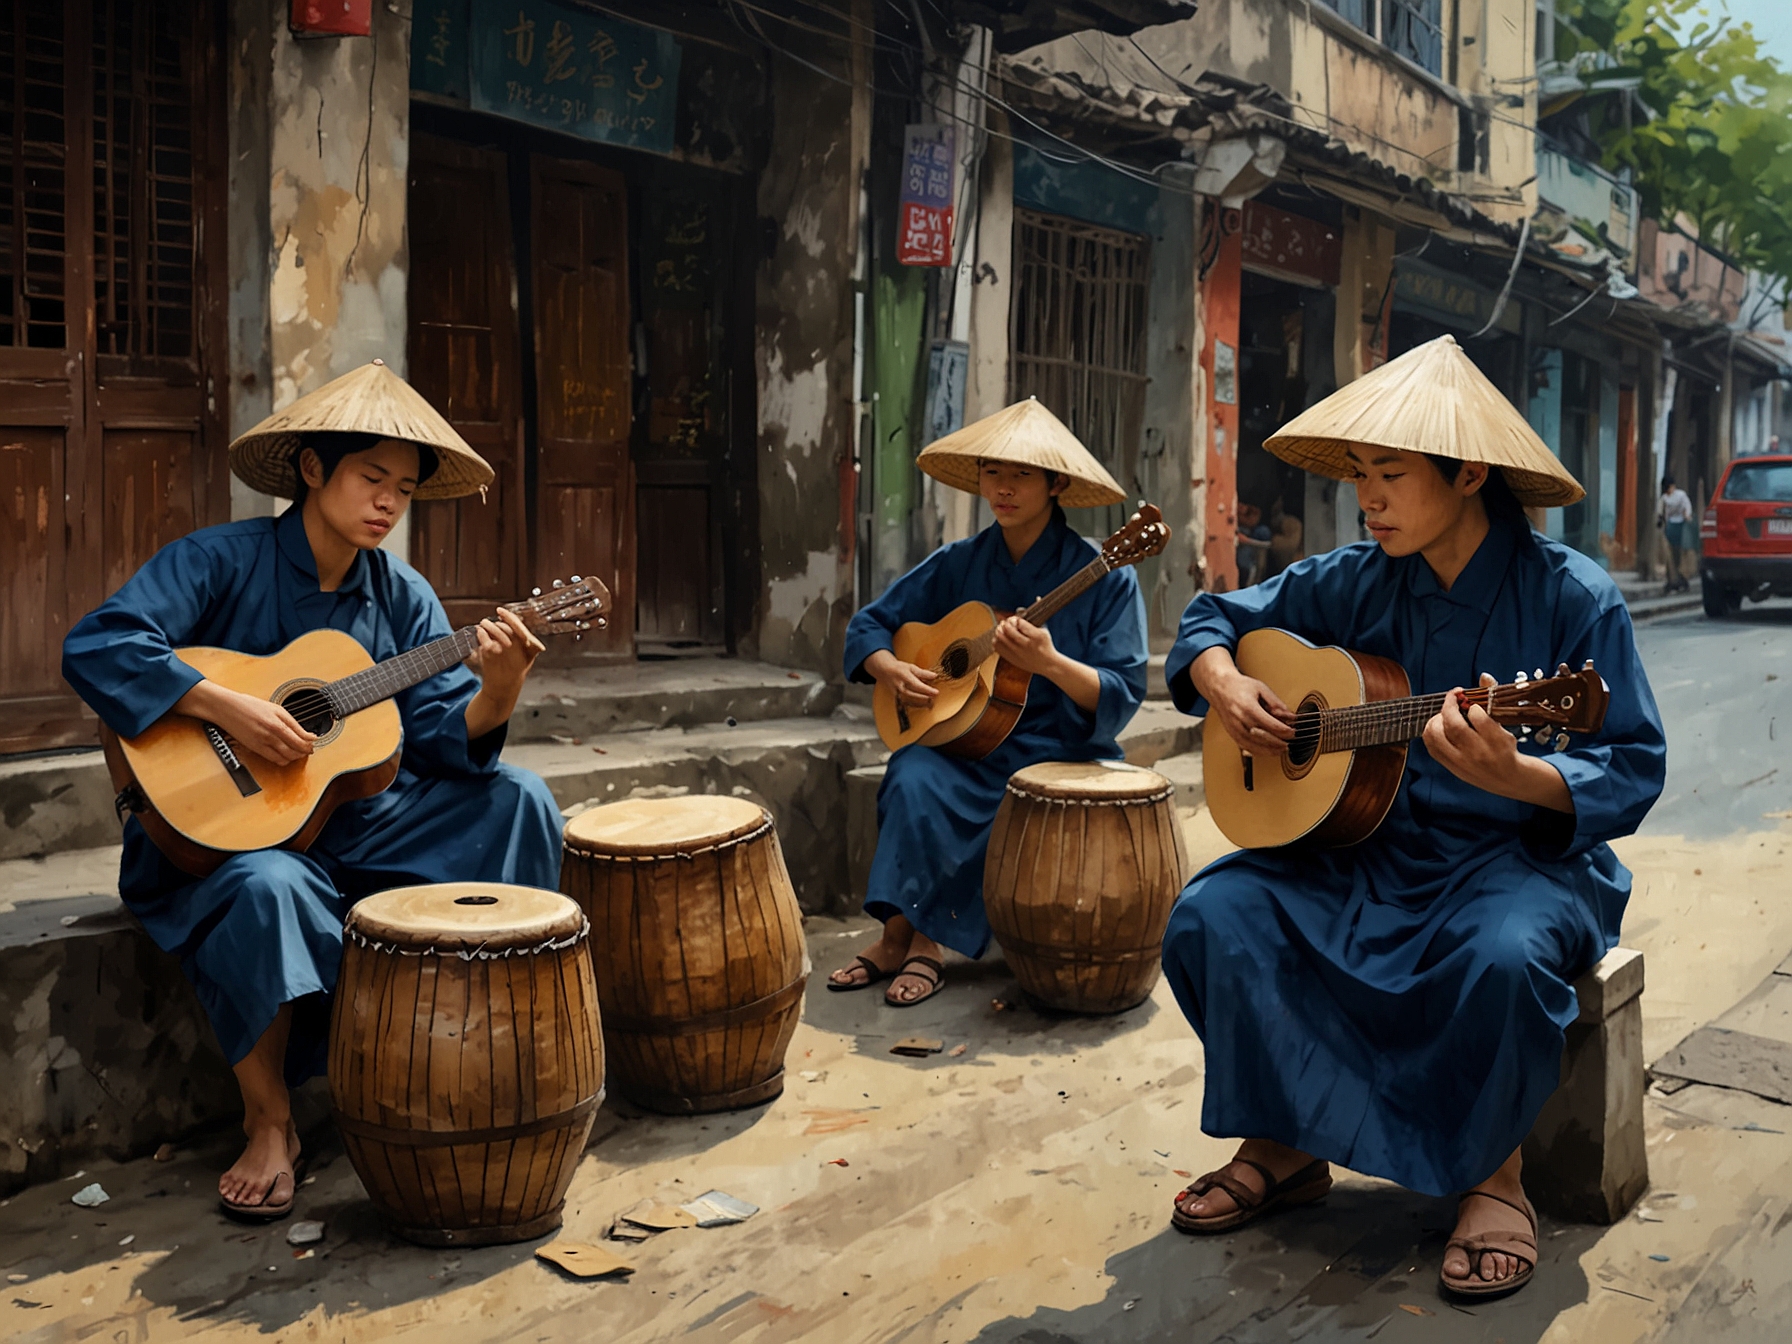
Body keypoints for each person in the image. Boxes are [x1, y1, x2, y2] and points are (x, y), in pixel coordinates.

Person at [1160, 335, 1665, 1301]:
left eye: (1390, 475)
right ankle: (1286, 1143)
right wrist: (1222, 682)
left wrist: (1521, 777)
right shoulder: (1356, 578)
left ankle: (1494, 1177)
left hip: (1520, 862)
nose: (1369, 499)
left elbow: (1633, 764)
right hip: (1373, 854)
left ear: (1469, 472)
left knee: (1503, 959)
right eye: (1360, 476)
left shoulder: (1574, 598)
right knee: (1216, 915)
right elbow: (1211, 618)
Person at [61, 361, 563, 1223]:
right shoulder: (219, 561)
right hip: (220, 833)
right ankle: (271, 1122)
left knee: (519, 798)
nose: (387, 504)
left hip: (354, 824)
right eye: (372, 479)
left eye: (403, 490)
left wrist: (502, 689)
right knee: (269, 884)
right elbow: (98, 645)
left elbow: (444, 734)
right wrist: (223, 706)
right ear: (311, 470)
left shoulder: (402, 594)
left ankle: (483, 1040)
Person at [828, 397, 1149, 1007]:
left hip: (1056, 744)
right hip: (966, 739)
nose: (1002, 488)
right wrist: (893, 668)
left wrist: (1049, 664)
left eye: (1021, 474)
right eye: (992, 473)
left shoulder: (1106, 571)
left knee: (1011, 798)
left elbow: (1122, 688)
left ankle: (925, 943)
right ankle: (897, 935)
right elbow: (870, 624)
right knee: (912, 772)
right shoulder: (960, 561)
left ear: (1056, 483)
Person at [1657, 476, 1694, 594]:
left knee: (1682, 554)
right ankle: (1672, 579)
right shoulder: (1664, 498)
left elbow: (1687, 506)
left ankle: (1682, 577)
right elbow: (1660, 511)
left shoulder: (1681, 495)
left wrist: (1687, 516)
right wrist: (1660, 519)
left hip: (1681, 526)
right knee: (1669, 554)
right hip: (1670, 526)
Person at [1235, 501, 1273, 586]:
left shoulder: (1260, 531)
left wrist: (1247, 541)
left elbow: (1268, 545)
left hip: (1254, 562)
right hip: (1243, 566)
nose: (1241, 507)